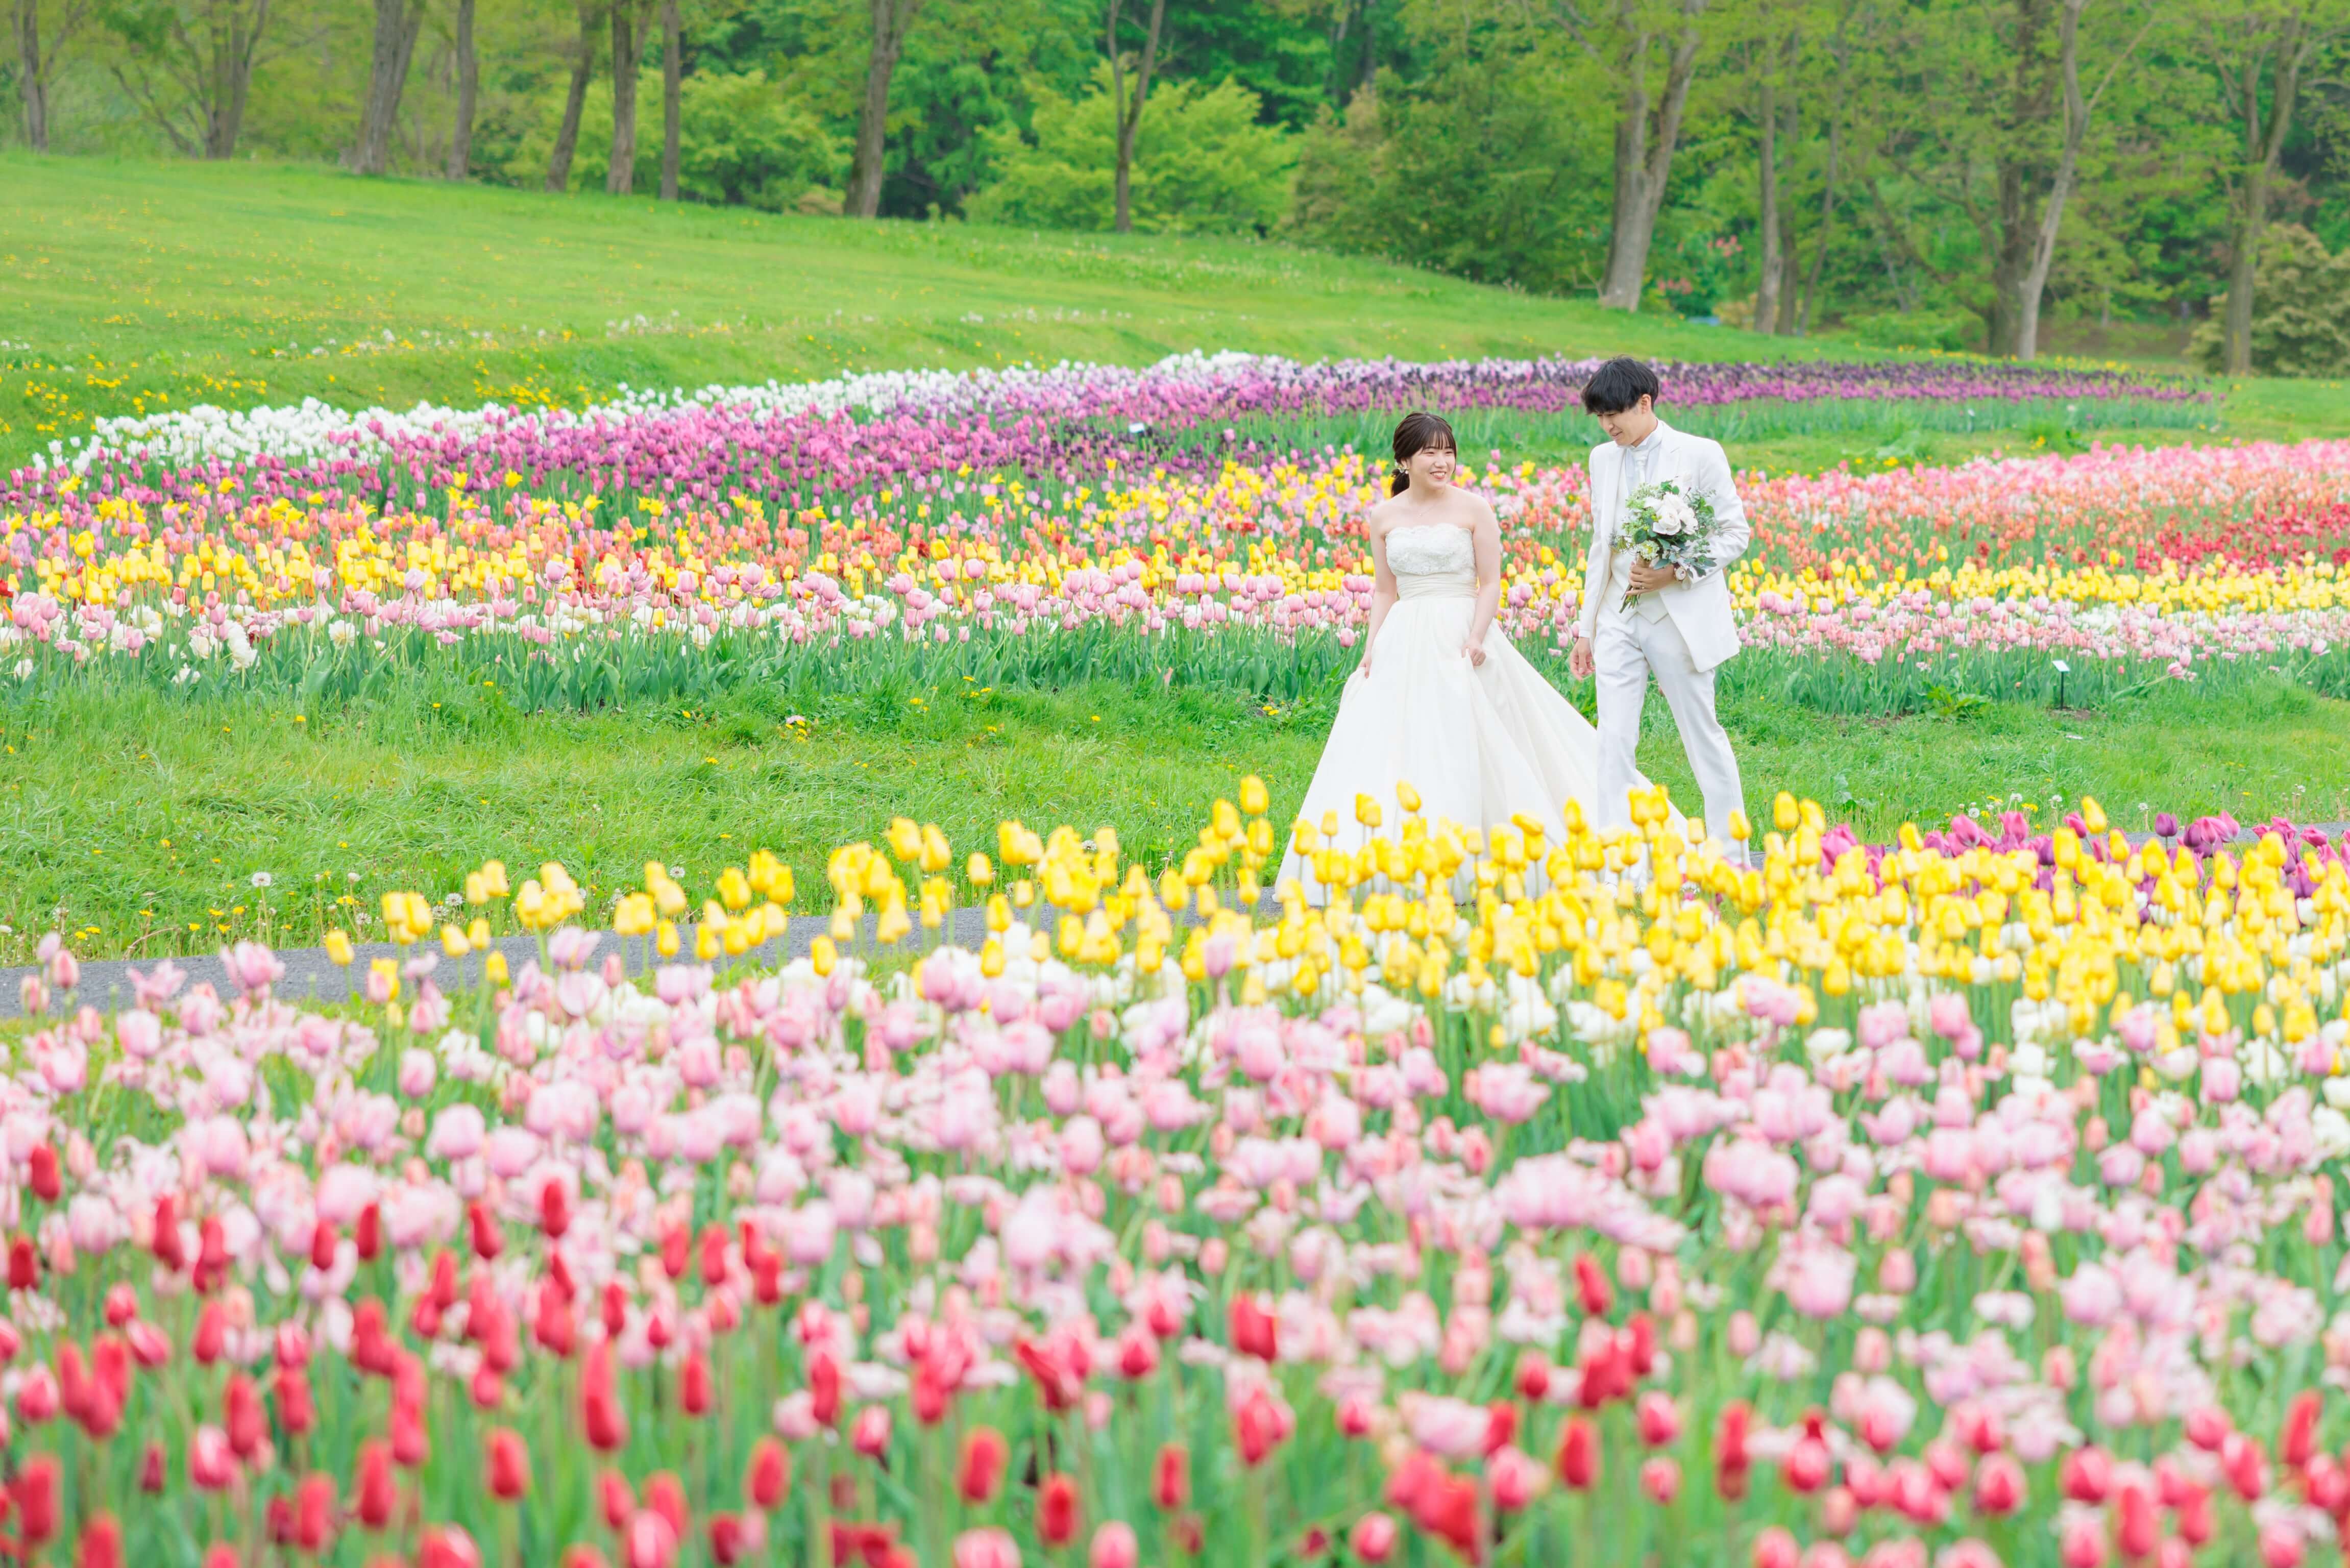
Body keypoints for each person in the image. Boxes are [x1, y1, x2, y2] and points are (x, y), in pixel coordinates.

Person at [1275, 411, 1631, 897]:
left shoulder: (1473, 509)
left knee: (1475, 736)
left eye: (1448, 452)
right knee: (1399, 740)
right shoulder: (1384, 516)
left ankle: (1487, 853)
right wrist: (1371, 647)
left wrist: (1477, 637)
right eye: (1430, 453)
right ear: (1405, 459)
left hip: (1463, 627)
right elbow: (1384, 591)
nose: (1442, 462)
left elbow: (1490, 582)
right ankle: (1395, 855)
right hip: (1404, 632)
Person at [1566, 357, 1750, 857]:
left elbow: (1735, 533)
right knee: (1612, 742)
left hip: (1677, 616)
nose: (1607, 427)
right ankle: (1615, 859)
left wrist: (1675, 571)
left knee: (1701, 735)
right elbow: (1600, 547)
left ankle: (1729, 855)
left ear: (1645, 404)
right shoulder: (1602, 460)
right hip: (1616, 619)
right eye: (1599, 418)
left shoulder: (1699, 453)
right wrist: (1585, 630)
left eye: (1614, 415)